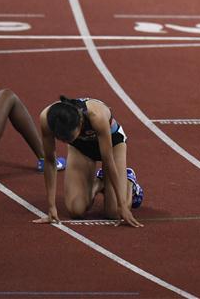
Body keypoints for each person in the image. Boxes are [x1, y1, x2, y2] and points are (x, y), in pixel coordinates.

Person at [34, 96, 143, 228]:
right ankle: (100, 182)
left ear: (80, 122)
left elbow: (108, 160)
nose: (64, 141)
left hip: (113, 144)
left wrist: (122, 205)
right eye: (61, 139)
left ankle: (129, 181)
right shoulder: (46, 118)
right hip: (81, 148)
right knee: (76, 210)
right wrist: (51, 207)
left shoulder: (97, 116)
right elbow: (50, 161)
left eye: (69, 137)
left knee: (114, 212)